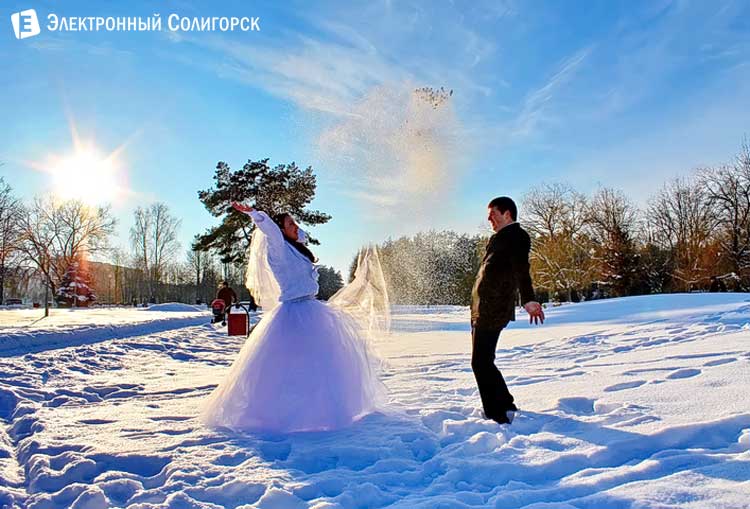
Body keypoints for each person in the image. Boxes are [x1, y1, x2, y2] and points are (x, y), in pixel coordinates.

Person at [201, 202, 387, 433]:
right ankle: (282, 415)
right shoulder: (277, 248)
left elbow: (302, 238)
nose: (296, 226)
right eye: (291, 224)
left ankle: (323, 411)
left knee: (320, 364)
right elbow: (270, 231)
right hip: (293, 314)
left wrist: (296, 232)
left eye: (296, 223)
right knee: (289, 366)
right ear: (280, 230)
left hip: (311, 309)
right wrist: (256, 215)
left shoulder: (295, 249)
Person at [471, 196, 545, 425]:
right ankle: (505, 403)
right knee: (484, 360)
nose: (489, 219)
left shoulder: (516, 237)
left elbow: (522, 269)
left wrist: (529, 299)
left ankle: (496, 414)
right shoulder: (499, 238)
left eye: (493, 215)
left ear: (507, 214)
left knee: (480, 362)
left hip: (494, 307)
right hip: (482, 307)